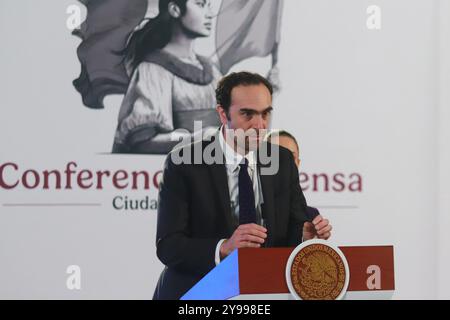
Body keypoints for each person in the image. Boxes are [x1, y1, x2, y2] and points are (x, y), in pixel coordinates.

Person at [153, 72, 332, 300]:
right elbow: (169, 246)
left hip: (264, 295)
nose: (259, 125)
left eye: (266, 113)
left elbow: (289, 233)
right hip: (197, 293)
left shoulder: (283, 161)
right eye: (248, 114)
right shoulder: (185, 163)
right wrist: (224, 247)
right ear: (222, 113)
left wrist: (303, 236)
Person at [112, 0, 222, 154]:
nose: (210, 14)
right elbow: (142, 142)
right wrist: (197, 139)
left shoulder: (212, 70)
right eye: (200, 4)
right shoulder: (153, 70)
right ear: (175, 9)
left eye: (209, 6)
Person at [266, 130, 327, 239]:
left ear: (298, 163)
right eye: (277, 156)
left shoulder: (310, 216)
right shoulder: (250, 208)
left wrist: (309, 240)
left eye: (290, 157)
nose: (285, 163)